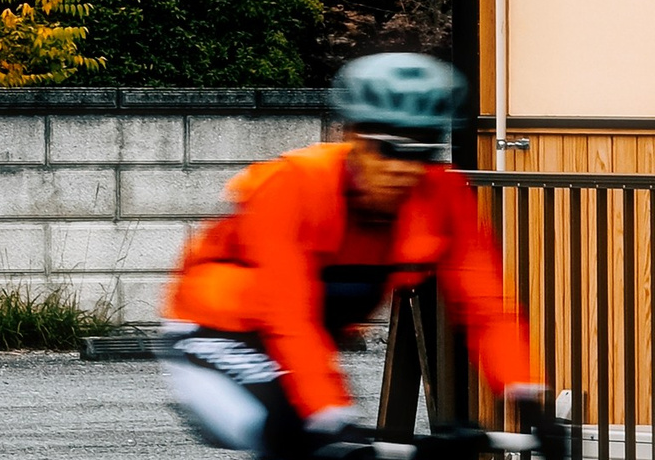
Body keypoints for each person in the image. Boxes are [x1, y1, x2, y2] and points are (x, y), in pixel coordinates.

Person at [160, 53, 554, 460]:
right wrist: (332, 416)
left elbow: (488, 307)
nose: (403, 168)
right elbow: (288, 316)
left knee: (324, 431)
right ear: (351, 135)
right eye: (388, 147)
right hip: (217, 335)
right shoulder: (292, 186)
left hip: (302, 340)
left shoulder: (442, 196)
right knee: (293, 430)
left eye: (421, 152)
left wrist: (529, 399)